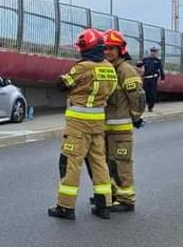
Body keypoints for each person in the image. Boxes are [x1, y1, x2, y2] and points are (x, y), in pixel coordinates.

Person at [48, 28, 118, 221]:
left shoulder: (83, 67)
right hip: (98, 123)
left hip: (78, 124)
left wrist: (63, 80)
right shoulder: (109, 68)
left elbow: (64, 84)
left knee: (71, 163)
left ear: (86, 47)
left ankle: (65, 206)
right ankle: (104, 205)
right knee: (99, 163)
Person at [102, 29, 147, 212]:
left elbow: (137, 97)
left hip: (120, 129)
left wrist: (136, 117)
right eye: (105, 48)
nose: (108, 52)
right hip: (106, 128)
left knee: (121, 162)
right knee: (108, 163)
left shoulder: (125, 70)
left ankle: (126, 199)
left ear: (121, 50)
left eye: (112, 48)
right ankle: (112, 195)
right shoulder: (107, 69)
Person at [137, 45, 165, 112]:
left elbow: (161, 70)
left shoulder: (158, 61)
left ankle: (150, 107)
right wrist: (138, 64)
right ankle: (144, 106)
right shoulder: (146, 59)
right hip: (146, 78)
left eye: (154, 51)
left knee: (152, 93)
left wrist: (162, 78)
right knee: (145, 93)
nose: (153, 53)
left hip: (153, 79)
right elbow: (139, 64)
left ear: (156, 52)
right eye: (152, 51)